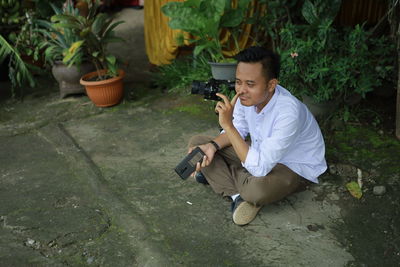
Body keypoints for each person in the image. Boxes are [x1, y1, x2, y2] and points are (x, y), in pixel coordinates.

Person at [187, 46, 327, 226]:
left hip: (292, 166)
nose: (241, 90)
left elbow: (259, 167)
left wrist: (227, 126)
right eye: (238, 82)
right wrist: (212, 146)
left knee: (255, 191)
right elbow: (238, 128)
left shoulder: (288, 112)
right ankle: (237, 196)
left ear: (271, 84)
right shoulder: (245, 98)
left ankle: (220, 176)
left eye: (250, 84)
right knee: (199, 144)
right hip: (259, 152)